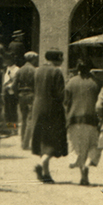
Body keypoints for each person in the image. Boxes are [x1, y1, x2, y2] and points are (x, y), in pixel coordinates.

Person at [30, 49, 68, 184]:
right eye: (61, 57)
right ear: (56, 58)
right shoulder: (56, 72)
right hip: (52, 108)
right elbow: (60, 94)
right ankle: (42, 164)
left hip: (37, 108)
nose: (62, 60)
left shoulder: (38, 70)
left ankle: (46, 173)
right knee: (53, 140)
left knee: (43, 140)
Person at [64, 58, 102, 185]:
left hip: (75, 119)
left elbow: (66, 101)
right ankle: (86, 167)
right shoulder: (96, 83)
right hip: (91, 119)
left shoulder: (71, 83)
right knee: (92, 146)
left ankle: (82, 174)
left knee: (78, 148)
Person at [14, 51, 38, 150]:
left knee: (23, 119)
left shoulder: (19, 70)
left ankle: (23, 141)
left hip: (21, 95)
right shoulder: (35, 70)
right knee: (30, 119)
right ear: (32, 59)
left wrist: (17, 95)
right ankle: (26, 142)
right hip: (31, 94)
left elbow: (14, 85)